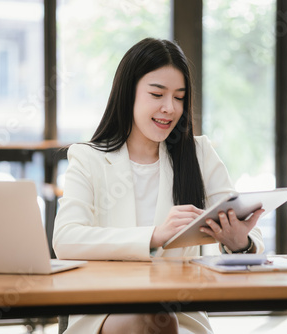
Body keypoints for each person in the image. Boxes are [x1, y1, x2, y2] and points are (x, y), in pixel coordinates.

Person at [53, 37, 265, 334]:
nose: (170, 108)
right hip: (104, 310)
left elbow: (250, 237)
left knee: (160, 318)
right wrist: (154, 235)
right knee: (151, 320)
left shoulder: (199, 153)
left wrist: (239, 241)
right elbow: (65, 239)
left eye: (179, 97)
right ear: (129, 94)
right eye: (157, 94)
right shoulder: (89, 158)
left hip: (181, 314)